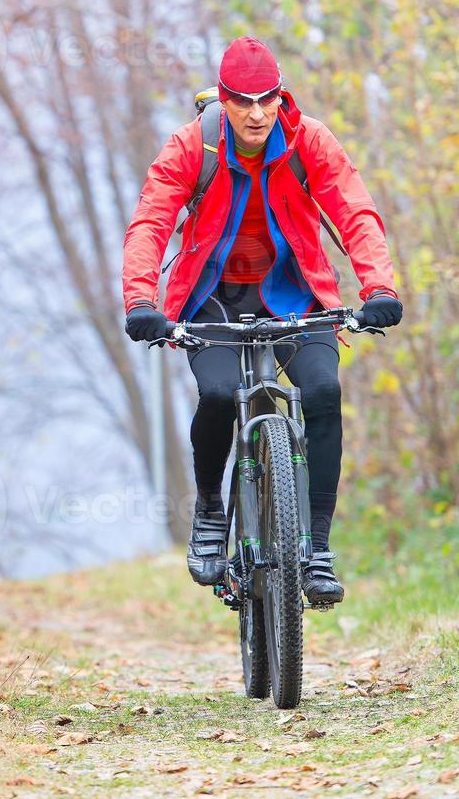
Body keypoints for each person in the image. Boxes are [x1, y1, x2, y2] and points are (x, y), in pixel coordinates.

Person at [120, 35, 402, 605]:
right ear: (222, 101)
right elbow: (150, 223)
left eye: (266, 99)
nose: (256, 112)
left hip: (297, 294)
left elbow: (355, 211)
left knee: (323, 391)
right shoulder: (190, 147)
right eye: (243, 101)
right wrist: (141, 303)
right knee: (220, 395)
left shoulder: (308, 141)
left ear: (280, 97)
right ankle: (208, 511)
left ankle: (317, 548)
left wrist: (379, 286)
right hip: (214, 298)